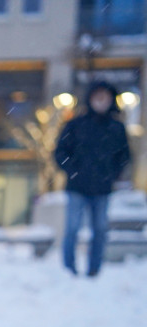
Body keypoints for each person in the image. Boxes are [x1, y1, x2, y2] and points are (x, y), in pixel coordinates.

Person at [54, 81, 131, 277]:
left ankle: (94, 268)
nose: (100, 101)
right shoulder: (76, 124)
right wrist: (73, 171)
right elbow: (60, 152)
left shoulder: (116, 127)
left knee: (100, 230)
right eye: (97, 96)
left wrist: (112, 174)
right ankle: (68, 268)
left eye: (104, 97)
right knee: (72, 229)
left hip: (102, 188)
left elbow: (124, 156)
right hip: (77, 187)